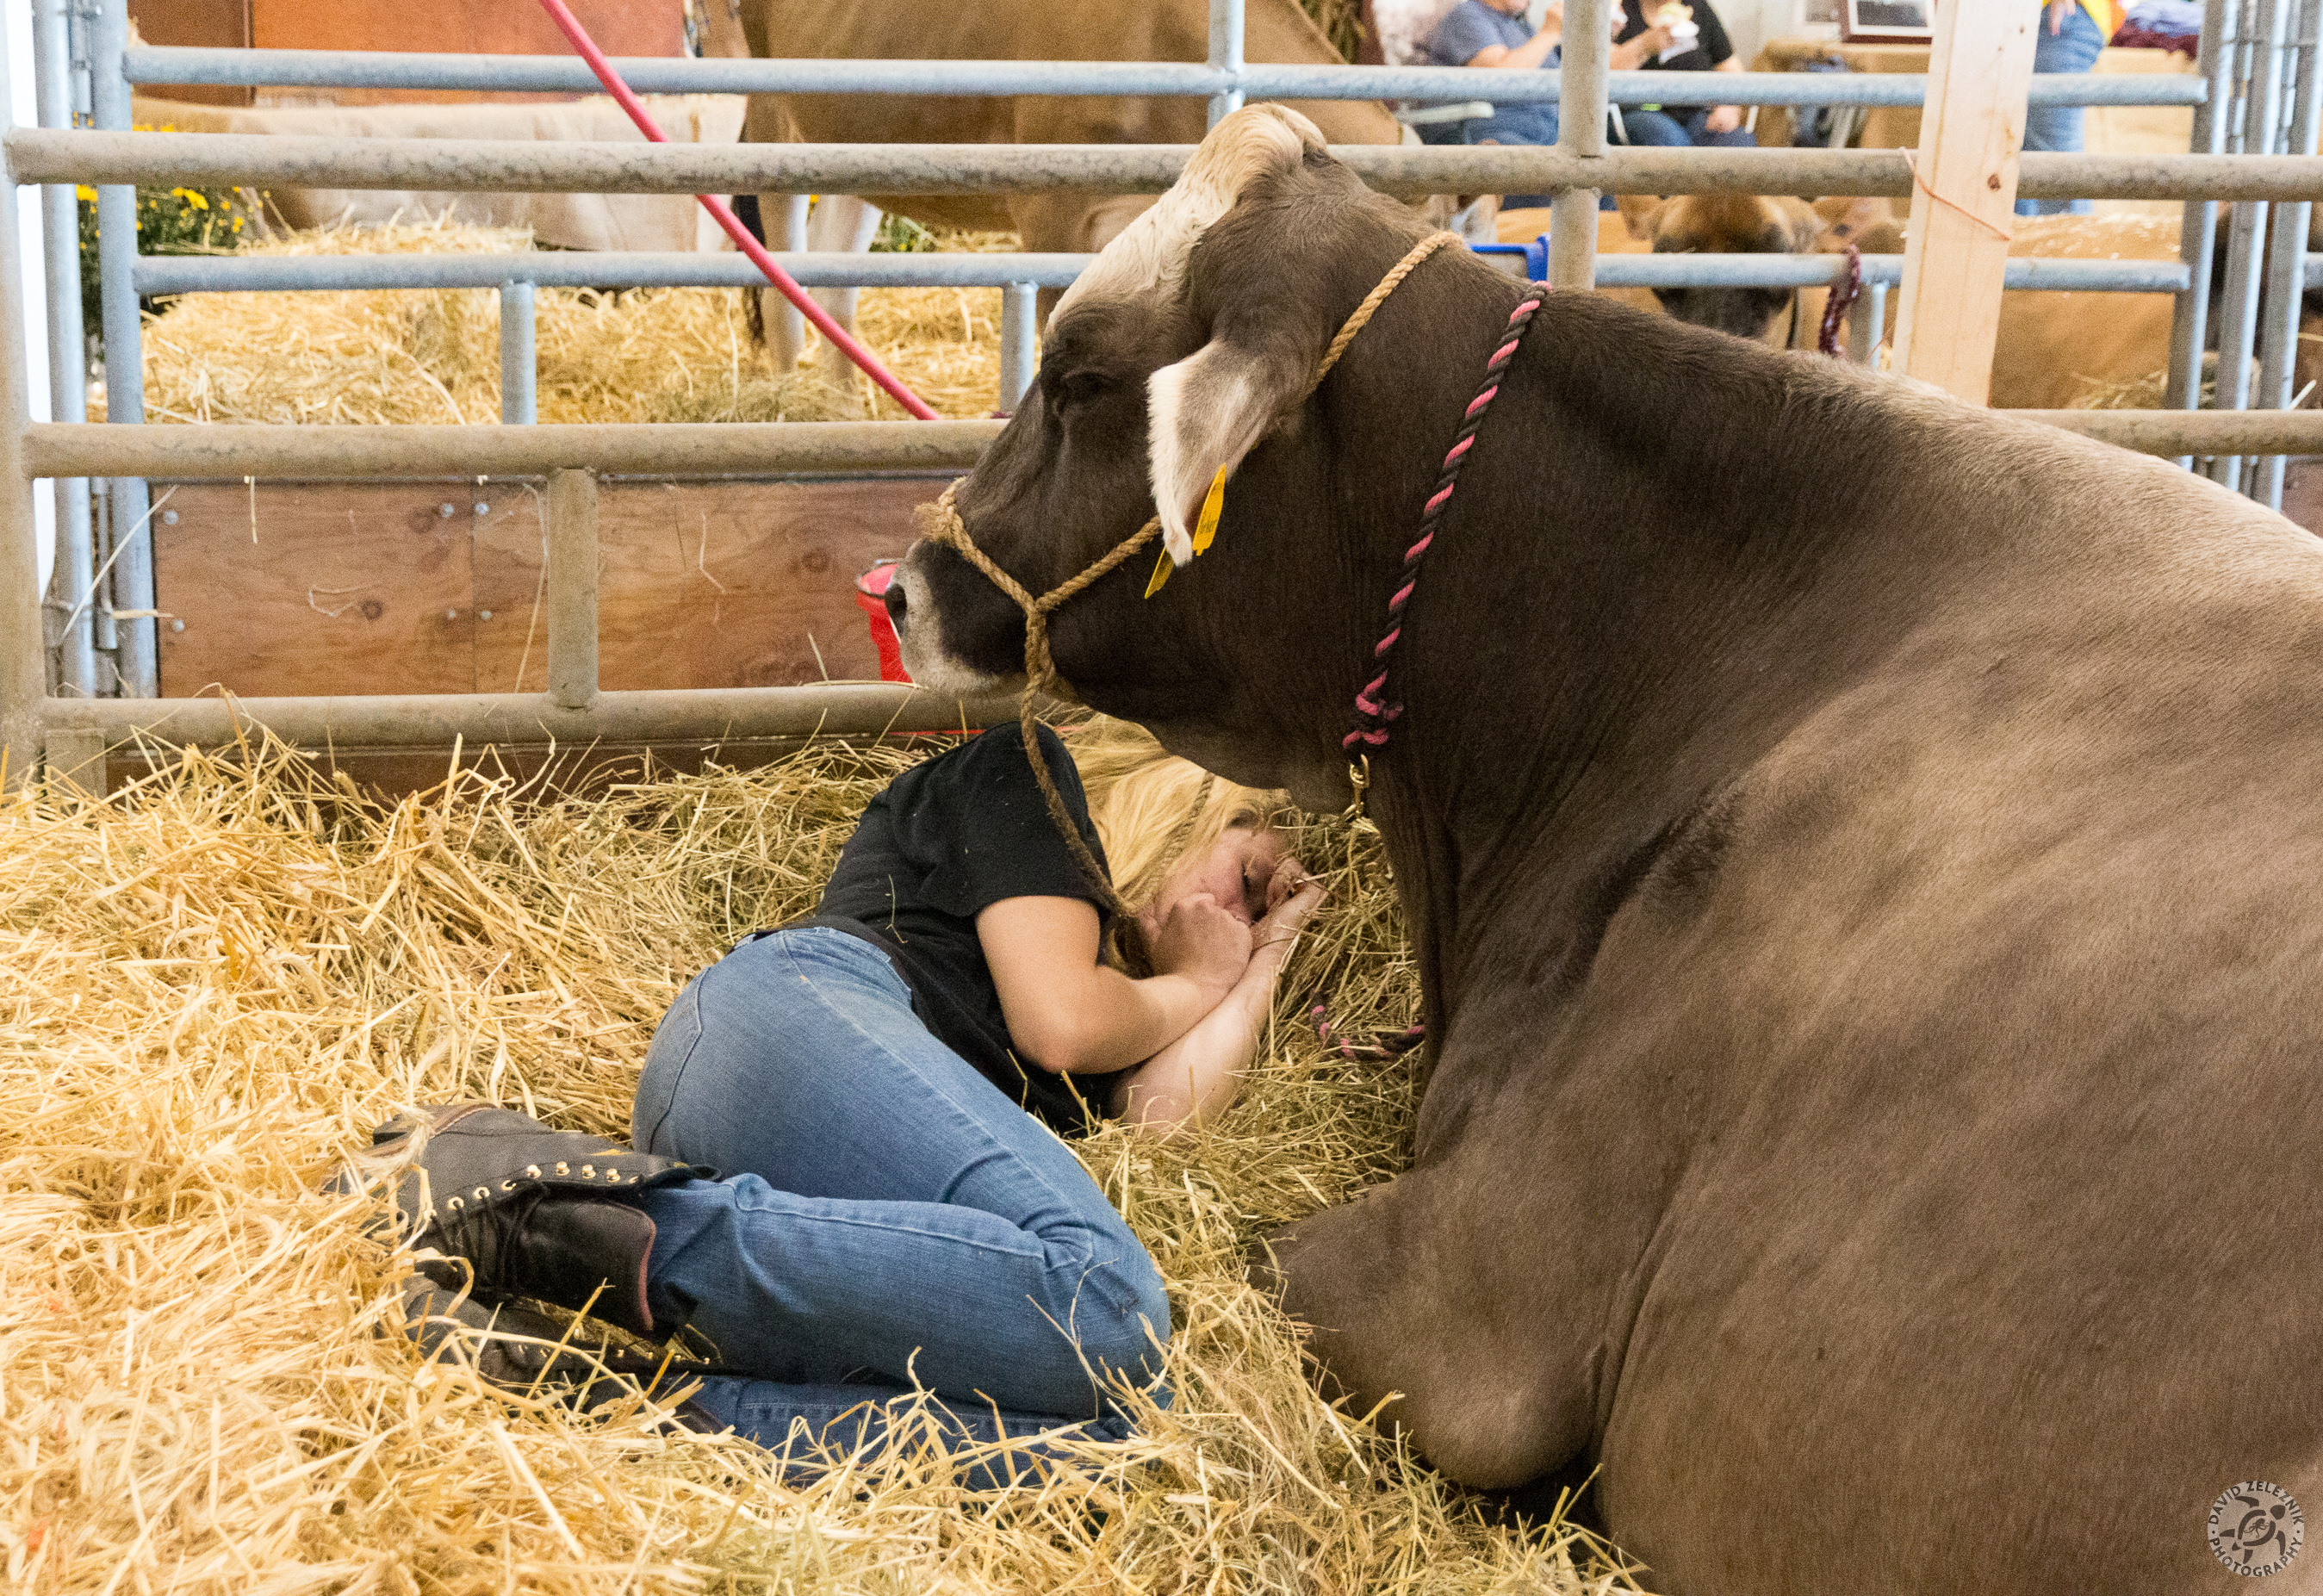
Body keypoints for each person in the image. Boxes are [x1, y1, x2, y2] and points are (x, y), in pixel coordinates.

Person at [335, 719, 1323, 1475]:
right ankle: (522, 1201)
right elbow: (1058, 1020)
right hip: (788, 1023)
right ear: (1191, 797)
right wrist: (1197, 983)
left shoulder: (1128, 1006)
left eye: (1260, 906)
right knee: (1108, 1309)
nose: (1239, 911)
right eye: (1249, 872)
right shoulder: (1026, 775)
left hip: (842, 1223)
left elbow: (1158, 1119)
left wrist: (1263, 962)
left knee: (1103, 1445)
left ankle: (601, 1391)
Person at [1421, 0, 1680, 202]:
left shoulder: (1520, 25)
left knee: (1652, 133)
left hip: (1553, 133)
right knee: (1582, 181)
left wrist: (1620, 41)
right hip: (1491, 134)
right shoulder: (1468, 17)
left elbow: (1590, 74)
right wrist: (1550, 32)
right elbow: (1499, 80)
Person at [2021, 0, 2121, 216]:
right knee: (2015, 158)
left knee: (2053, 165)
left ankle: (2069, 249)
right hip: (2020, 19)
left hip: (2058, 16)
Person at [1608, 0, 1755, 150]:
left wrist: (1729, 106)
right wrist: (1644, 45)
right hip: (1638, 113)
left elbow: (1731, 68)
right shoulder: (1619, 12)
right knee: (1667, 137)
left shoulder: (1697, 8)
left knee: (1738, 142)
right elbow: (1601, 73)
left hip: (1697, 113)